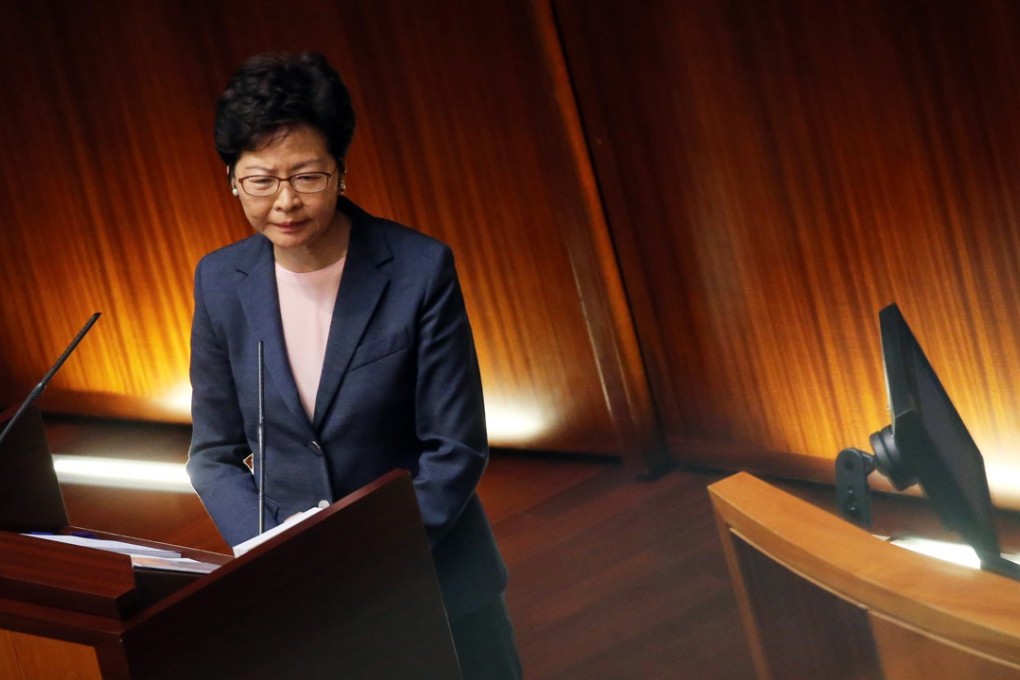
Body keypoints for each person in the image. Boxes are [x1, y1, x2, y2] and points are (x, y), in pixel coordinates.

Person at [186, 51, 521, 679]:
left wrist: (368, 560)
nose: (283, 202)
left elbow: (455, 446)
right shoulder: (220, 280)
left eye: (307, 176)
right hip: (300, 599)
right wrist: (270, 552)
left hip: (432, 578)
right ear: (233, 178)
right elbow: (213, 453)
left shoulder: (419, 269)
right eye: (260, 180)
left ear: (341, 171)